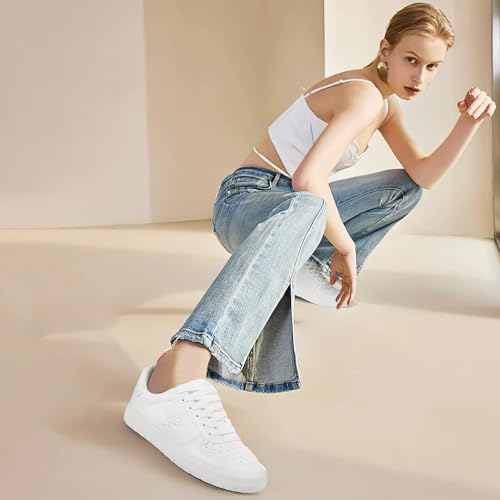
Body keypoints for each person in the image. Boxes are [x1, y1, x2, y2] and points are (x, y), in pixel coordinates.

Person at [123, 2, 496, 494]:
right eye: (411, 60)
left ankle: (300, 264)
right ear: (385, 50)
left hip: (290, 207)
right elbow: (307, 179)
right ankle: (177, 374)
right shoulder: (363, 94)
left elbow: (422, 174)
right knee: (308, 205)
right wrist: (344, 247)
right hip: (247, 199)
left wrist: (468, 124)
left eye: (433, 66)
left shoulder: (385, 105)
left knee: (404, 189)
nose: (420, 76)